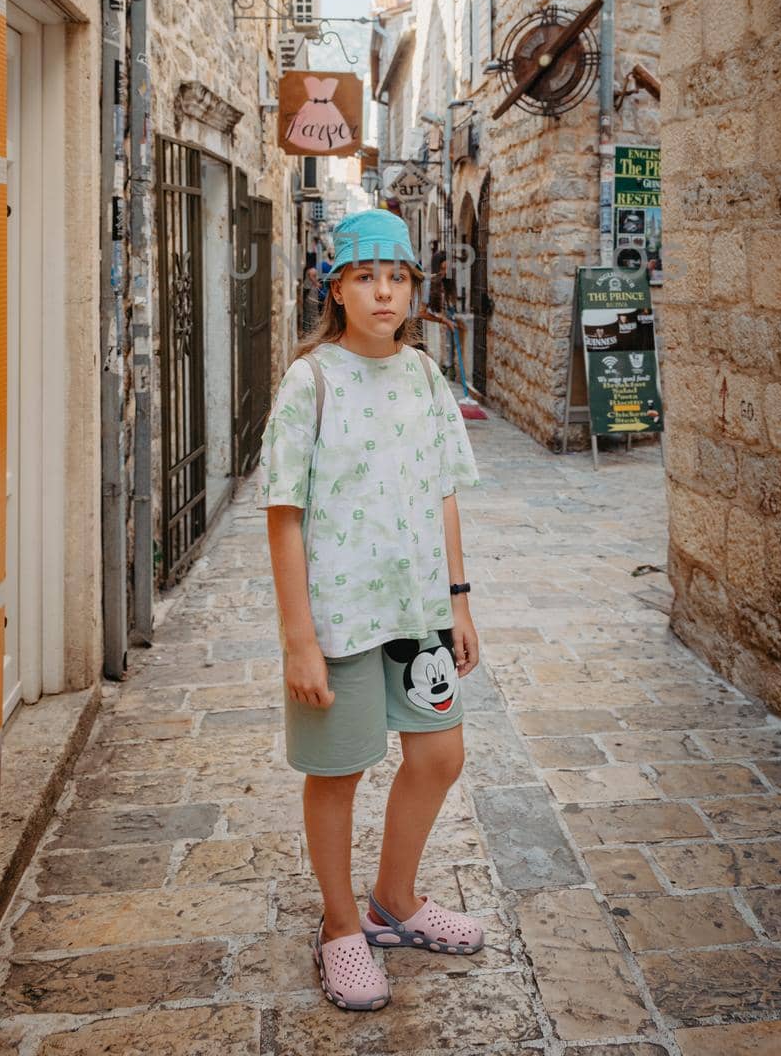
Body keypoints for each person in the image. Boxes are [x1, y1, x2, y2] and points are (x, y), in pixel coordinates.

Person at [260, 208, 484, 1014]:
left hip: (417, 612)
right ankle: (341, 926)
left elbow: (444, 492)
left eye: (397, 277)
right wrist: (299, 641)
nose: (383, 291)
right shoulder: (310, 379)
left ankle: (396, 898)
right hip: (340, 619)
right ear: (338, 289)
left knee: (439, 755)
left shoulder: (426, 376)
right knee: (339, 769)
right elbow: (283, 511)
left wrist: (458, 598)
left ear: (414, 290)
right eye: (365, 277)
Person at [301, 264, 322, 334]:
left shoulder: (310, 270)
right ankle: (310, 332)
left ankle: (309, 331)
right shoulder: (312, 270)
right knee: (310, 315)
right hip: (310, 295)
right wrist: (316, 283)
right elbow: (312, 274)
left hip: (309, 294)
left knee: (309, 315)